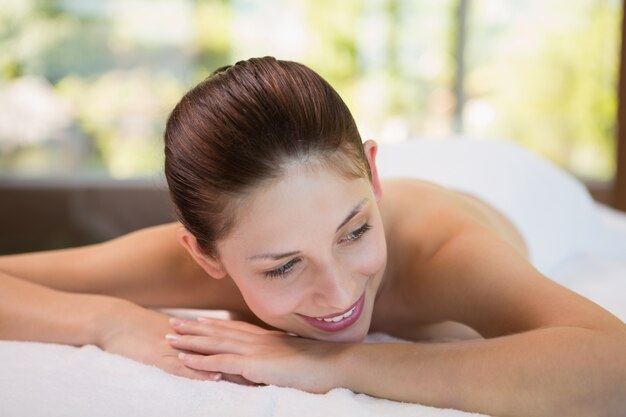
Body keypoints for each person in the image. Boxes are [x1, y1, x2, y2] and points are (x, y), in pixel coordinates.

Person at [0, 56, 624, 417]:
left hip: (513, 178)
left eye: (354, 234)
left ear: (375, 177)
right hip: (318, 180)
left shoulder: (443, 250)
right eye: (281, 268)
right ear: (203, 253)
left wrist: (335, 361)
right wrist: (109, 321)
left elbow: (613, 368)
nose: (336, 290)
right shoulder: (223, 240)